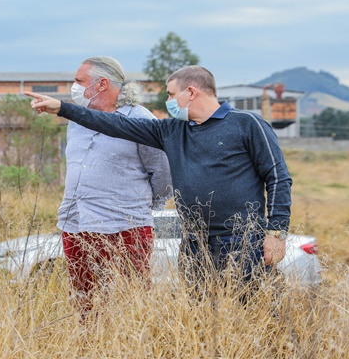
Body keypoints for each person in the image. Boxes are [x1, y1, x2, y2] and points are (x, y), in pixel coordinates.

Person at [26, 65, 292, 293]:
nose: (169, 101)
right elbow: (113, 124)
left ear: (191, 92)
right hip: (194, 244)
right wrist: (62, 108)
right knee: (202, 315)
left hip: (242, 240)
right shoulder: (172, 130)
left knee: (252, 312)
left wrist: (276, 234)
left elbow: (278, 177)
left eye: (171, 94)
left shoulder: (247, 124)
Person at [58, 56, 172, 320]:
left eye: (78, 81)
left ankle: (128, 353)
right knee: (83, 300)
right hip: (76, 223)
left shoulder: (141, 119)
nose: (73, 87)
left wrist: (142, 204)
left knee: (130, 300)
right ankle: (89, 350)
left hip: (124, 225)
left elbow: (163, 171)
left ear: (102, 84)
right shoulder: (77, 121)